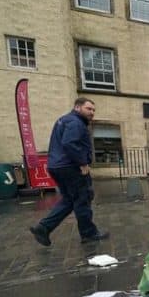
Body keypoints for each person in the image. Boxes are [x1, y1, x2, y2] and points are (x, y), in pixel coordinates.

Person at [29, 98, 109, 246]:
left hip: (57, 166)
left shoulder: (64, 120)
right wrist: (82, 162)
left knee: (69, 200)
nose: (92, 112)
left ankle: (44, 228)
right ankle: (89, 234)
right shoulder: (76, 122)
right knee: (83, 198)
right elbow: (69, 143)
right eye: (88, 109)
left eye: (93, 110)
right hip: (71, 167)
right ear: (77, 107)